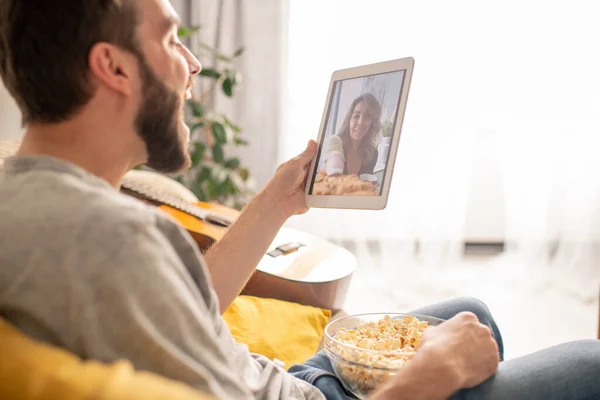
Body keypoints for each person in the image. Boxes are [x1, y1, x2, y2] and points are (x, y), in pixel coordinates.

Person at [0, 1, 598, 399]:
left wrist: (276, 202)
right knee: (586, 365)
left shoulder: (28, 193)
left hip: (286, 381)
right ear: (113, 67)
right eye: (171, 38)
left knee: (472, 309)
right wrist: (434, 371)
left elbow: (177, 315)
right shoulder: (115, 237)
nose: (194, 64)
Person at [319, 93, 381, 177]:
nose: (361, 122)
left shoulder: (373, 154)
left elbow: (365, 184)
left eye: (367, 116)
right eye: (356, 116)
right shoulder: (334, 145)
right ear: (349, 119)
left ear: (372, 122)